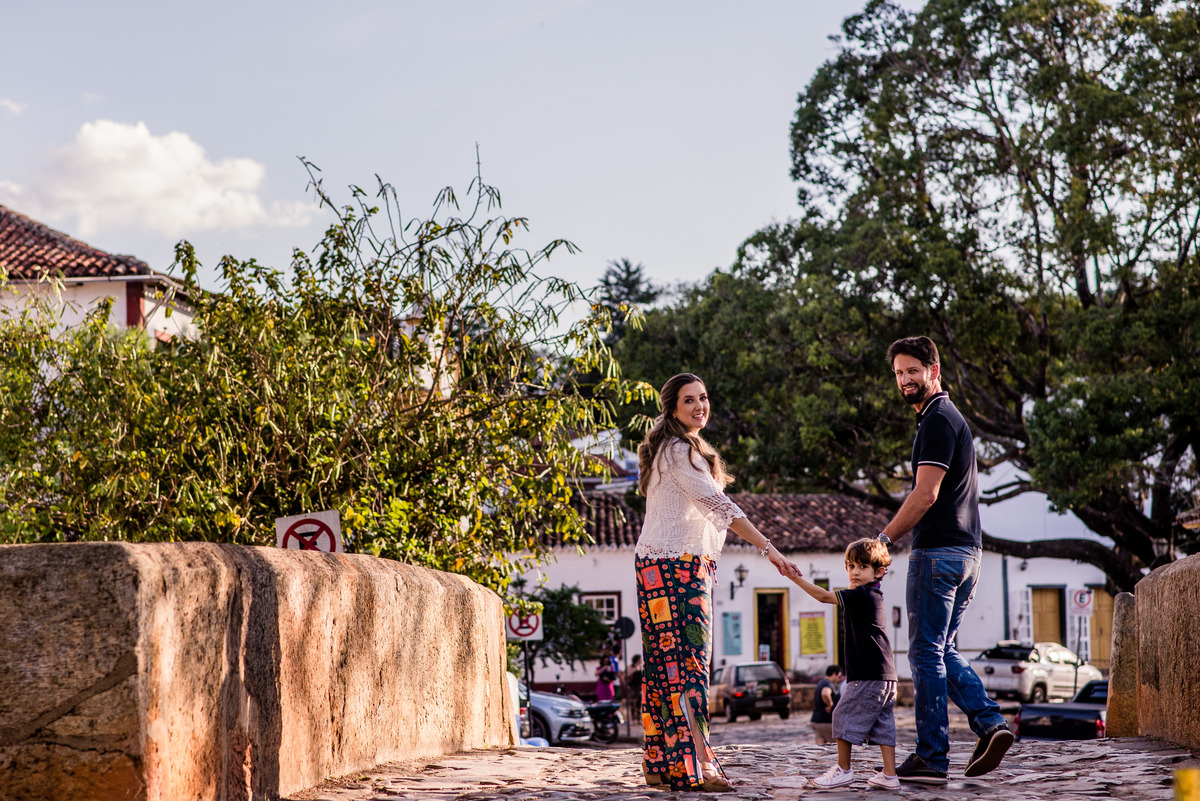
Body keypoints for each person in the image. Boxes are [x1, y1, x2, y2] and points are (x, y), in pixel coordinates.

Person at [634, 373, 799, 792]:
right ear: (672, 407)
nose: (699, 406)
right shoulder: (679, 451)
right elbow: (717, 504)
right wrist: (769, 549)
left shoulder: (676, 449)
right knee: (690, 664)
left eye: (703, 398)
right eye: (689, 400)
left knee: (662, 667)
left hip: (660, 567)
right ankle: (699, 764)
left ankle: (660, 762)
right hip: (678, 569)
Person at [877, 336, 1013, 785]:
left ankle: (933, 757)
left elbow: (925, 494)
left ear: (934, 371)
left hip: (938, 552)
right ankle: (991, 723)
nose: (905, 380)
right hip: (968, 553)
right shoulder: (944, 418)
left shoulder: (937, 419)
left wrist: (883, 540)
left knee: (923, 652)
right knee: (942, 648)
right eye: (898, 373)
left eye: (913, 370)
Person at [787, 539, 900, 790]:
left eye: (862, 566)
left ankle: (843, 770)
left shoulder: (860, 594)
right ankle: (890, 775)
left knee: (841, 714)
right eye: (850, 566)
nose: (855, 571)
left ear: (879, 572)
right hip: (887, 675)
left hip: (867, 674)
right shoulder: (874, 594)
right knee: (882, 723)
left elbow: (822, 596)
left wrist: (794, 578)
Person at [811, 664, 844, 745]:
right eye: (838, 676)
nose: (838, 679)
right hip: (826, 720)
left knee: (820, 746)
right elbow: (825, 693)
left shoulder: (820, 683)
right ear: (833, 674)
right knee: (840, 744)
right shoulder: (828, 684)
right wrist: (830, 704)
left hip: (816, 720)